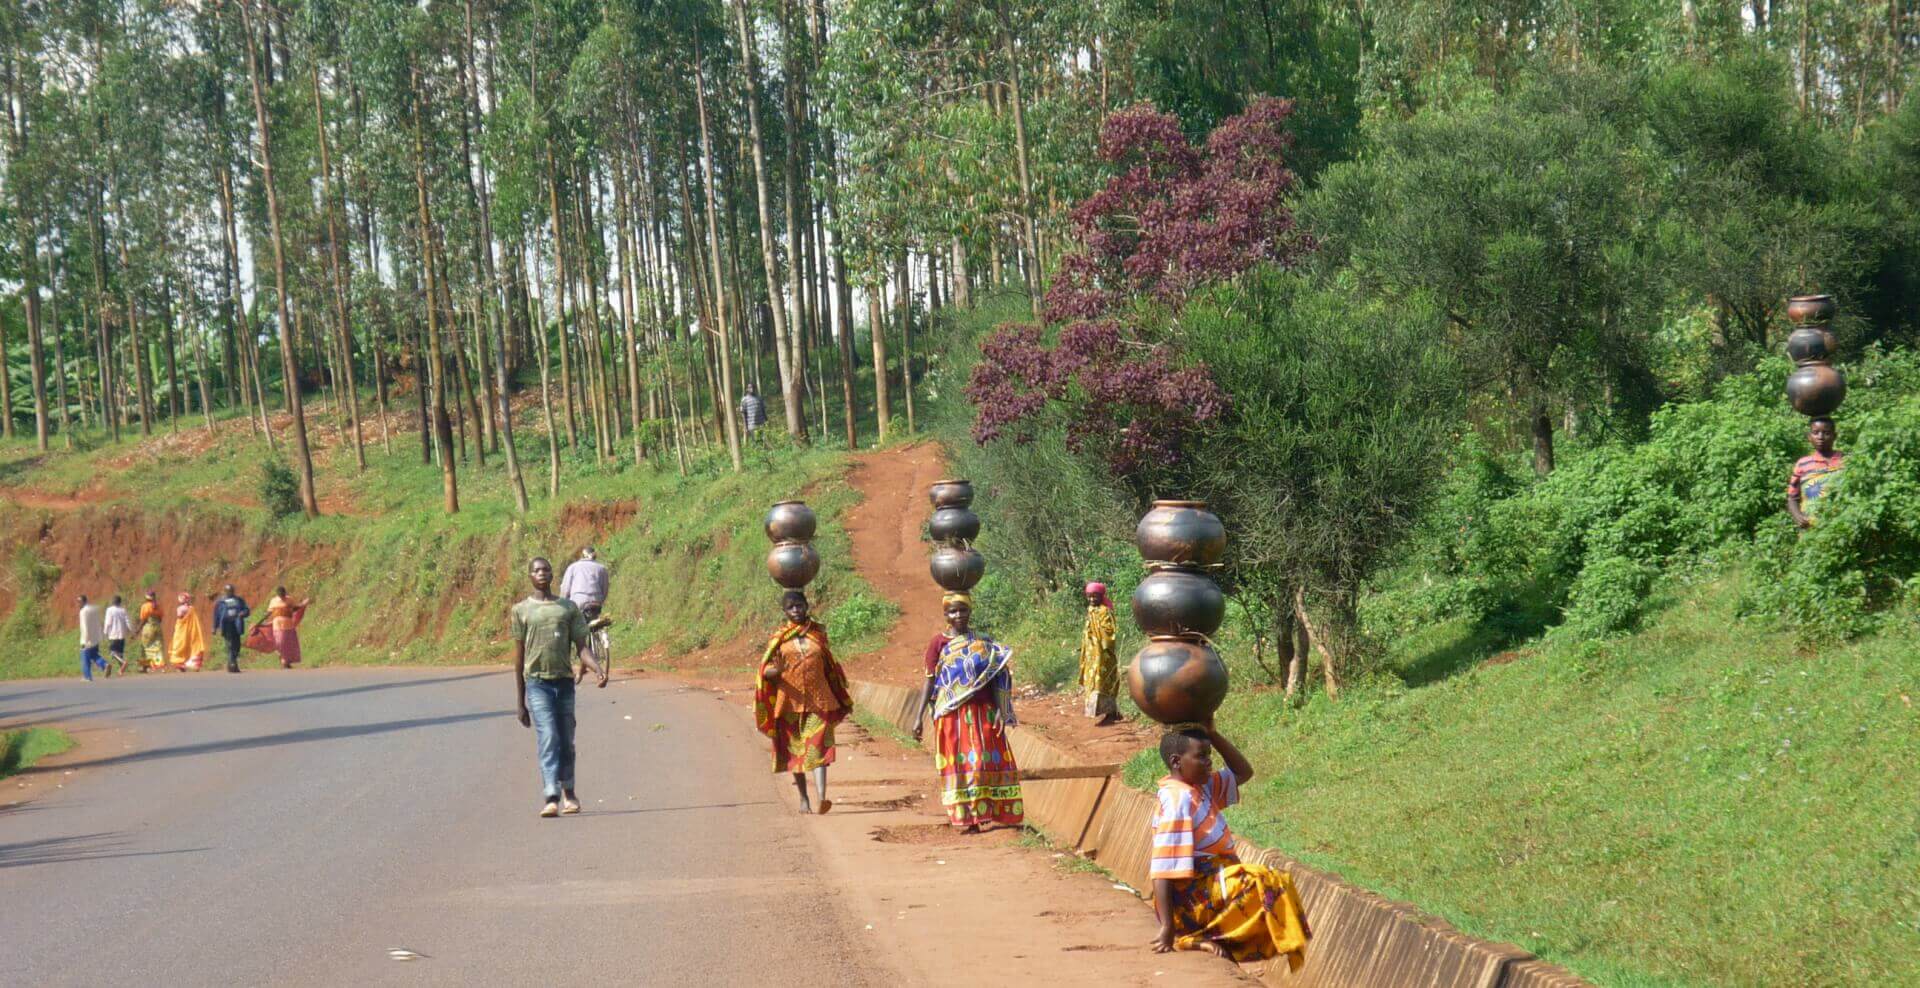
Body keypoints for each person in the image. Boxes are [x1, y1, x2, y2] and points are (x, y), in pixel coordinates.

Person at [1151, 723, 1310, 968]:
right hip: (1191, 900)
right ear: (1176, 761)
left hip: (1210, 888)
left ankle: (1216, 939)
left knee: (1275, 882)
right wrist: (1167, 927)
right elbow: (1162, 869)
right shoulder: (1177, 800)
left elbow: (1243, 772)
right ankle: (1190, 937)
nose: (1208, 762)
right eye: (1201, 756)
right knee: (1262, 882)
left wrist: (1213, 734)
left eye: (1209, 756)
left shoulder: (1199, 787)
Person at [913, 592, 1023, 832]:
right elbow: (929, 682)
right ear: (945, 615)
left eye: (962, 610)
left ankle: (986, 812)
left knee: (983, 762)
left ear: (970, 612)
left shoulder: (983, 642)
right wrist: (918, 717)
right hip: (952, 715)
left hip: (983, 711)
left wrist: (1002, 711)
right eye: (953, 611)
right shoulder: (937, 644)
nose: (958, 615)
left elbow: (998, 676)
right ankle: (970, 818)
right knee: (961, 767)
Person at [513, 556, 605, 819]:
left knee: (566, 740)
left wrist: (597, 668)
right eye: (537, 570)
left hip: (564, 683)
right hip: (537, 683)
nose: (542, 573)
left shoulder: (568, 608)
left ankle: (570, 793)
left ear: (553, 575)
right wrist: (520, 703)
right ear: (530, 576)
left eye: (546, 569)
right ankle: (551, 796)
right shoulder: (521, 610)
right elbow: (518, 660)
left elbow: (582, 647)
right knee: (549, 737)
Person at [754, 590, 853, 815]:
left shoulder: (818, 633)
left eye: (799, 606)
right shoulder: (779, 637)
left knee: (819, 748)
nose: (796, 610)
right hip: (789, 703)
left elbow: (829, 664)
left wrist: (839, 692)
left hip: (820, 700)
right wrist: (775, 671)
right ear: (785, 611)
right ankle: (803, 797)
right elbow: (765, 671)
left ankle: (822, 798)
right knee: (796, 752)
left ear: (807, 606)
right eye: (791, 607)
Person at [1787, 416, 1846, 529]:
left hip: (1841, 526)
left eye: (1826, 433)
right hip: (1811, 527)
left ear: (1835, 436)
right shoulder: (1802, 464)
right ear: (1809, 437)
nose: (1820, 437)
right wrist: (1798, 516)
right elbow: (1792, 497)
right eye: (1815, 433)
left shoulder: (1846, 461)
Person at [1078, 582, 1121, 724]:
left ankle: (1110, 714)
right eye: (1089, 596)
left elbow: (1109, 632)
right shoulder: (1090, 609)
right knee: (1092, 681)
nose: (1091, 600)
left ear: (1101, 596)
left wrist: (1102, 645)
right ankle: (1109, 712)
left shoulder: (1104, 611)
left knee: (1103, 682)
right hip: (1091, 654)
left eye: (1094, 596)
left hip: (1103, 654)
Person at [557, 547, 613, 631]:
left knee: (573, 626)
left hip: (578, 602)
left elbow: (565, 589)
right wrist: (600, 601)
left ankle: (579, 641)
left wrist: (562, 604)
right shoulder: (602, 568)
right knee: (595, 624)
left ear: (581, 556)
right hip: (596, 602)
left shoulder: (572, 567)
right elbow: (605, 590)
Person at [264, 587, 310, 669]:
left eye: (283, 594)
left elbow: (294, 608)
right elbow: (269, 612)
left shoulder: (289, 599)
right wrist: (262, 622)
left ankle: (286, 662)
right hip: (277, 626)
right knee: (280, 643)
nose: (282, 596)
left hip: (289, 625)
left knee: (288, 645)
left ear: (285, 593)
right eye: (280, 595)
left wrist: (302, 605)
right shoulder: (273, 601)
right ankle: (283, 659)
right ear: (277, 594)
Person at [211, 585, 252, 674]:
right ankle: (232, 664)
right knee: (230, 644)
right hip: (226, 625)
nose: (230, 592)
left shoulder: (239, 600)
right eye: (228, 591)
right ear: (225, 591)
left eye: (231, 591)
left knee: (237, 645)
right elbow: (216, 615)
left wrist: (242, 613)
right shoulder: (220, 602)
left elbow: (247, 610)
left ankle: (232, 663)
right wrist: (214, 627)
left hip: (236, 624)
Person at [169, 592, 208, 672]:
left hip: (181, 631)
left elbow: (179, 617)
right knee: (189, 646)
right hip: (190, 631)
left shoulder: (180, 608)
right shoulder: (191, 608)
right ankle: (193, 663)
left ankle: (180, 664)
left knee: (178, 646)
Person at [77, 596, 109, 682]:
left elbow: (84, 627)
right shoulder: (93, 609)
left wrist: (85, 640)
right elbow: (99, 623)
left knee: (85, 657)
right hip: (96, 637)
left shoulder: (83, 611)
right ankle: (104, 664)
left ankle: (87, 676)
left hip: (87, 639)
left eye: (79, 602)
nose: (78, 604)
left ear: (84, 602)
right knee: (94, 655)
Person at [103, 595, 133, 676]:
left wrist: (105, 632)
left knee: (112, 652)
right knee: (120, 653)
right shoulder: (123, 610)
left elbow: (108, 622)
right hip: (122, 635)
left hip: (113, 635)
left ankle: (124, 663)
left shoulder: (109, 610)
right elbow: (128, 622)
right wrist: (131, 631)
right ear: (120, 602)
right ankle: (121, 671)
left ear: (113, 602)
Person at [138, 591, 165, 672]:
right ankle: (161, 666)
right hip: (158, 628)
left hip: (148, 628)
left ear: (146, 598)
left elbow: (143, 620)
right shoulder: (159, 606)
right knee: (158, 647)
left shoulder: (144, 606)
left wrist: (138, 630)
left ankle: (145, 667)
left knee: (145, 647)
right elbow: (160, 619)